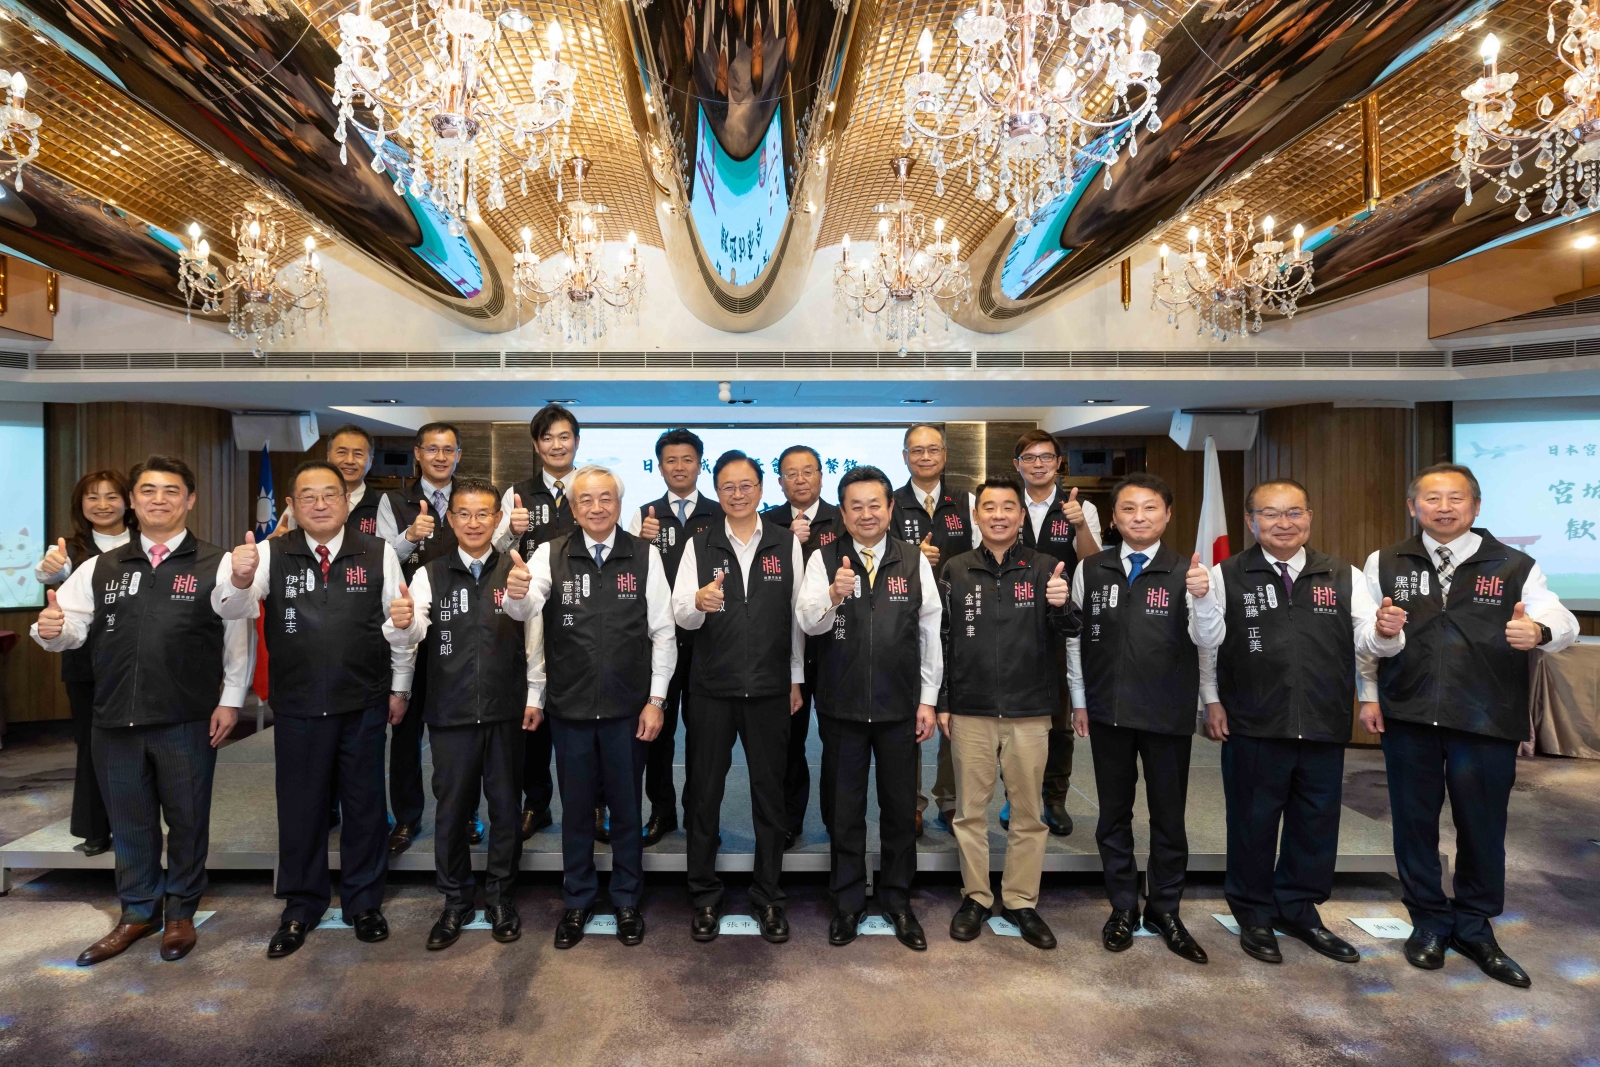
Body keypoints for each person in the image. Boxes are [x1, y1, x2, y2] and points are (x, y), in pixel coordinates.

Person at [1359, 463, 1577, 988]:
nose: (1444, 507)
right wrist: (1369, 691)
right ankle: (1429, 921)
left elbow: (1562, 618)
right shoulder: (1385, 562)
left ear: (1475, 507)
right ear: (1413, 507)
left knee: (1482, 825)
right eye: (1432, 498)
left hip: (1485, 717)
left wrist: (1539, 630)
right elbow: (1367, 639)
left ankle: (1476, 927)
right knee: (1413, 823)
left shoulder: (1513, 563)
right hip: (1409, 713)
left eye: (1456, 498)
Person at [31, 456, 248, 966]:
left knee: (188, 820)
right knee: (130, 823)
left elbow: (238, 633)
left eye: (171, 490)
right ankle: (137, 911)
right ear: (133, 501)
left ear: (190, 500)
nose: (158, 499)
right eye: (147, 490)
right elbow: (69, 628)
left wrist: (231, 700)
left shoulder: (216, 562)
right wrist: (50, 630)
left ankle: (181, 912)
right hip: (113, 718)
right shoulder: (101, 567)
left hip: (186, 716)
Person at [1202, 479, 1406, 965]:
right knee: (1252, 822)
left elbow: (1369, 640)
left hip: (1322, 721)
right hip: (1254, 722)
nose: (1284, 523)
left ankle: (1299, 909)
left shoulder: (1342, 574)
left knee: (1315, 823)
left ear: (1309, 517)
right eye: (1270, 513)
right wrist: (1211, 699)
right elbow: (1207, 644)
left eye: (1294, 512)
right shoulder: (1226, 574)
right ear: (1251, 521)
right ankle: (1253, 913)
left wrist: (1386, 632)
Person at [217, 461, 414, 958]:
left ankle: (364, 903)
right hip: (299, 704)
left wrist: (400, 686)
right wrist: (239, 579)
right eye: (308, 496)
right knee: (301, 808)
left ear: (348, 501)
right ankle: (301, 905)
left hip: (362, 701)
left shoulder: (377, 551)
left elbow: (399, 625)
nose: (320, 504)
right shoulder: (269, 552)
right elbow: (232, 608)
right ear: (291, 505)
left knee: (365, 808)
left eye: (330, 494)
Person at [510, 465, 675, 948]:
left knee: (626, 810)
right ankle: (578, 900)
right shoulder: (550, 553)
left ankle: (626, 899)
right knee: (577, 811)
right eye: (586, 499)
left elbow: (663, 632)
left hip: (628, 708)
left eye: (606, 498)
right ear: (573, 507)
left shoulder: (644, 554)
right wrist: (517, 593)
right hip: (571, 707)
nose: (597, 507)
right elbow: (526, 608)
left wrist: (656, 699)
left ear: (619, 504)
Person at [1068, 472, 1223, 964]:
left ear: (1168, 514)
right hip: (1108, 712)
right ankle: (1121, 907)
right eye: (1128, 509)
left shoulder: (1190, 571)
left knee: (1168, 817)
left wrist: (1203, 597)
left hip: (1167, 712)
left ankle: (1165, 909)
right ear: (1113, 519)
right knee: (1113, 816)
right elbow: (1075, 637)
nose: (1139, 517)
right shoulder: (1091, 568)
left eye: (1150, 507)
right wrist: (1078, 699)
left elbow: (1209, 641)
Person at [797, 465, 941, 951]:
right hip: (842, 705)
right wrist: (833, 596)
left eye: (874, 504)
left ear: (890, 507)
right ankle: (847, 903)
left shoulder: (912, 559)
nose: (866, 514)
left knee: (899, 809)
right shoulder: (823, 558)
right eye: (855, 506)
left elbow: (930, 632)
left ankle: (898, 901)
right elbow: (808, 623)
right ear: (842, 513)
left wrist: (927, 699)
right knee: (844, 810)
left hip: (900, 706)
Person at [390, 479, 536, 949]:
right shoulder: (429, 574)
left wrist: (535, 695)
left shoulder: (517, 570)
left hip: (505, 710)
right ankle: (454, 902)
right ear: (449, 519)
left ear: (498, 519)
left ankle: (500, 899)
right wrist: (402, 622)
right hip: (450, 712)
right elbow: (413, 630)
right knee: (451, 813)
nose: (474, 523)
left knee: (506, 810)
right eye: (464, 514)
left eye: (483, 514)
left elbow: (533, 630)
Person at [940, 475, 1080, 950]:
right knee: (969, 814)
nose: (998, 515)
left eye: (1007, 507)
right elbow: (942, 639)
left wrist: (1062, 604)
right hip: (971, 709)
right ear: (976, 515)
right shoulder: (956, 568)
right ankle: (976, 897)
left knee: (1028, 814)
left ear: (1021, 515)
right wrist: (944, 702)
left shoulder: (1045, 567)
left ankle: (1021, 900)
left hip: (1029, 710)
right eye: (989, 507)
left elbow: (1072, 628)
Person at [673, 450, 806, 943]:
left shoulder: (785, 542)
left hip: (770, 689)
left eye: (746, 485)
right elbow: (679, 612)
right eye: (728, 486)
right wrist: (697, 602)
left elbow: (797, 617)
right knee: (704, 794)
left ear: (761, 489)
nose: (737, 494)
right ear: (717, 491)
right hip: (712, 689)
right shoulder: (699, 542)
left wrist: (795, 678)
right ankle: (704, 895)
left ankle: (768, 896)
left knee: (770, 797)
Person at [379, 422, 479, 856]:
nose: (441, 457)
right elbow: (382, 557)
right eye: (432, 449)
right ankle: (407, 817)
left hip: (466, 627)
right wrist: (409, 537)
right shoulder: (393, 501)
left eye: (448, 450)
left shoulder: (469, 497)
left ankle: (467, 813)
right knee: (406, 731)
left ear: (458, 455)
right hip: (411, 626)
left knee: (463, 732)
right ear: (418, 454)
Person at [625, 428, 724, 846]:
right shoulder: (645, 515)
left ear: (700, 464)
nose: (679, 467)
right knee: (657, 735)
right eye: (671, 460)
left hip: (708, 642)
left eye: (687, 459)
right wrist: (639, 542)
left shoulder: (719, 512)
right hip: (658, 643)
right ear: (659, 466)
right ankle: (661, 812)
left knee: (704, 738)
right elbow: (627, 573)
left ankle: (700, 816)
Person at [34, 469, 135, 857]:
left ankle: (136, 828)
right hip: (86, 666)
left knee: (138, 747)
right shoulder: (68, 549)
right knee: (92, 746)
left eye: (111, 496)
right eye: (93, 497)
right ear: (80, 504)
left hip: (138, 662)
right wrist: (50, 570)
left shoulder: (146, 542)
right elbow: (52, 573)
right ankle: (95, 829)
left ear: (127, 502)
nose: (102, 505)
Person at [494, 404, 581, 841]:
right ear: (536, 445)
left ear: (576, 441)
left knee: (584, 708)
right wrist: (511, 530)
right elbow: (495, 548)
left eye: (564, 437)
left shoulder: (592, 486)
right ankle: (537, 803)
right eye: (547, 438)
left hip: (584, 609)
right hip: (530, 610)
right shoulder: (518, 493)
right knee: (532, 706)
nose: (556, 445)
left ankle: (594, 804)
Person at [1013, 429, 1102, 837]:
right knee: (1015, 718)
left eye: (1046, 457)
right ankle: (1018, 798)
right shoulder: (1006, 504)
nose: (1038, 464)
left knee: (1059, 719)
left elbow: (1094, 564)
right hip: (1012, 623)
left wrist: (1080, 525)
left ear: (1059, 462)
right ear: (1017, 465)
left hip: (1063, 624)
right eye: (1029, 458)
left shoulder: (1080, 507)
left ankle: (1054, 798)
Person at [893, 424, 979, 836]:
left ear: (945, 455)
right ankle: (910, 802)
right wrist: (912, 557)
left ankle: (949, 799)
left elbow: (984, 552)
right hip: (906, 622)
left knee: (954, 713)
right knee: (911, 711)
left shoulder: (967, 501)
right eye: (916, 450)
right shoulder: (890, 503)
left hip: (962, 620)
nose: (925, 457)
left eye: (932, 450)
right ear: (905, 457)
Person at [763, 444, 842, 848]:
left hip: (833, 648)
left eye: (808, 471)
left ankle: (837, 819)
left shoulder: (842, 519)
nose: (800, 479)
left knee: (837, 741)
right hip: (783, 648)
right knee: (787, 741)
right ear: (779, 481)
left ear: (821, 476)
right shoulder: (765, 522)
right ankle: (787, 821)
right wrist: (785, 542)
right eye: (791, 473)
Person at [271, 424, 381, 538]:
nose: (349, 460)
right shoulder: (304, 499)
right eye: (342, 452)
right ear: (328, 457)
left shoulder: (381, 504)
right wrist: (276, 540)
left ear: (370, 461)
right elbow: (281, 535)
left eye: (358, 454)